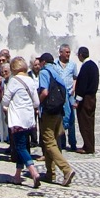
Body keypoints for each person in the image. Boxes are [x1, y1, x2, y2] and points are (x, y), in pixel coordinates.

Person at [1, 56, 41, 188]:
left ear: (13, 68)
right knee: (22, 146)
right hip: (29, 120)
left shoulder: (13, 81)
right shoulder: (30, 81)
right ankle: (17, 176)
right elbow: (36, 102)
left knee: (20, 147)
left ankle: (33, 172)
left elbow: (5, 100)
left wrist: (7, 106)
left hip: (17, 119)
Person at [37, 51, 75, 186]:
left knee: (48, 142)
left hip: (48, 111)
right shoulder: (57, 71)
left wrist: (36, 104)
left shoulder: (44, 72)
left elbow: (45, 92)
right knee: (51, 140)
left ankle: (66, 169)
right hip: (59, 111)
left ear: (43, 62)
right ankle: (50, 173)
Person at [73, 45, 99, 154]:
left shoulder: (86, 67)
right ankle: (89, 145)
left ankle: (88, 147)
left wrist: (77, 101)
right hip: (92, 98)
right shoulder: (93, 65)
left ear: (80, 55)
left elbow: (82, 85)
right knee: (90, 122)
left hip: (86, 99)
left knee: (84, 123)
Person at [58, 43, 79, 150]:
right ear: (60, 53)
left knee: (71, 118)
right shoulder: (55, 64)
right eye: (66, 52)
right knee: (60, 118)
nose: (68, 54)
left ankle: (73, 142)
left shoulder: (72, 64)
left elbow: (75, 77)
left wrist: (73, 89)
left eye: (69, 52)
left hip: (70, 94)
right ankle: (61, 142)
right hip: (59, 95)